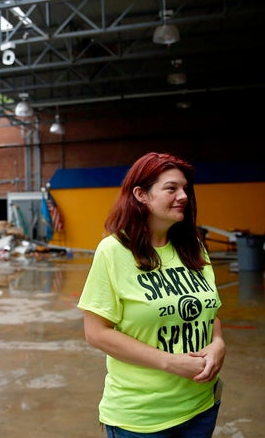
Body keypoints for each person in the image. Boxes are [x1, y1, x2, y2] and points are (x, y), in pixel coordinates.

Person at [78, 152, 225, 438]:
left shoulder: (193, 247)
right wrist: (170, 362)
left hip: (201, 407)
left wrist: (218, 344)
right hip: (142, 419)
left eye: (185, 189)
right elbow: (96, 333)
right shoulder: (114, 251)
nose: (183, 196)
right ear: (141, 195)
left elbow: (210, 312)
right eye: (171, 188)